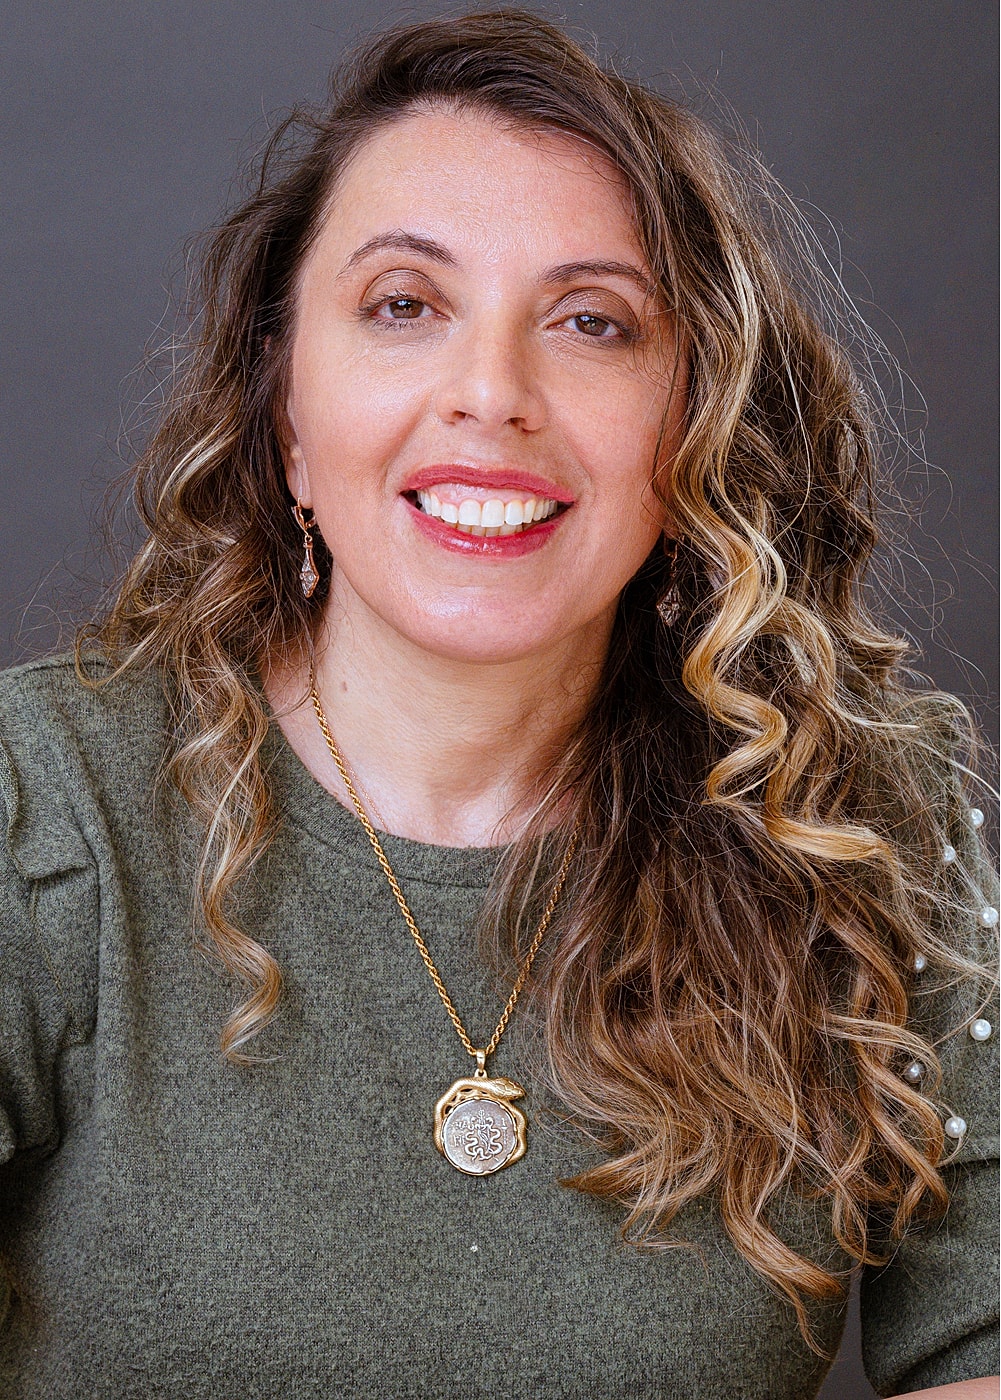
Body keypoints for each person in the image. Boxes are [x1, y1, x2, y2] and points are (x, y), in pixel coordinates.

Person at [0, 11, 996, 1399]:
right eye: (405, 305)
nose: (492, 394)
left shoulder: (862, 825)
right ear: (287, 414)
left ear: (695, 424)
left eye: (592, 322)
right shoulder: (42, 807)